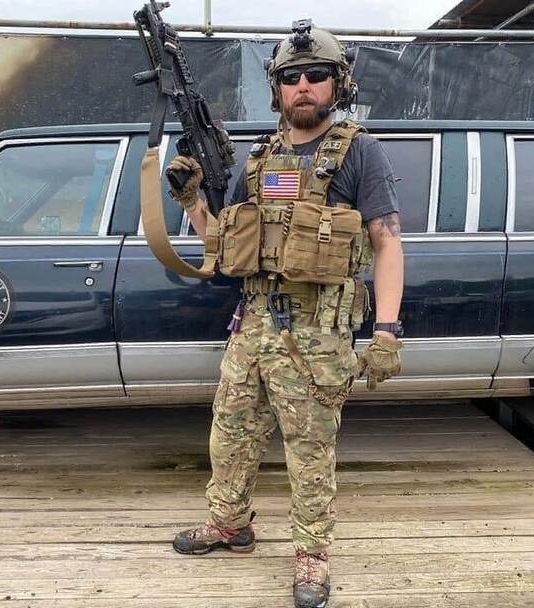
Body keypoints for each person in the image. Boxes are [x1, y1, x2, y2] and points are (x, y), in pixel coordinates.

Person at [165, 20, 404, 608]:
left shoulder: (358, 151)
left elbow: (387, 241)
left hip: (318, 332)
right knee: (230, 434)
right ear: (277, 89)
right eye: (290, 77)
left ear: (336, 83)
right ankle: (229, 524)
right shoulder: (259, 158)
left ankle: (312, 555)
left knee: (310, 449)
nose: (303, 86)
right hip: (253, 327)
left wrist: (387, 331)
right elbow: (223, 246)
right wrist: (193, 197)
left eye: (316, 76)